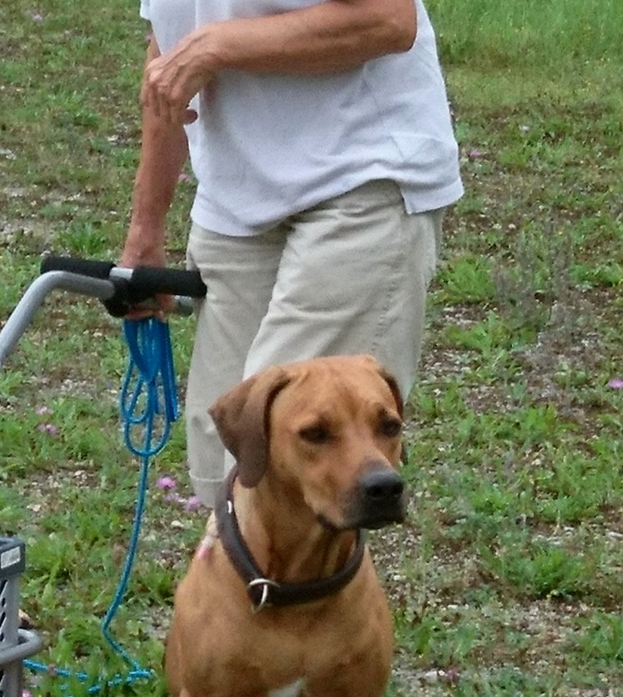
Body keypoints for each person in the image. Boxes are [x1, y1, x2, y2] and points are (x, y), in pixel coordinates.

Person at [122, 0, 463, 508]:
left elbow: (389, 19)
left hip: (362, 177)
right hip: (235, 201)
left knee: (287, 453)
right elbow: (168, 55)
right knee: (223, 459)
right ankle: (244, 585)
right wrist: (146, 227)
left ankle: (288, 586)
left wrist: (217, 45)